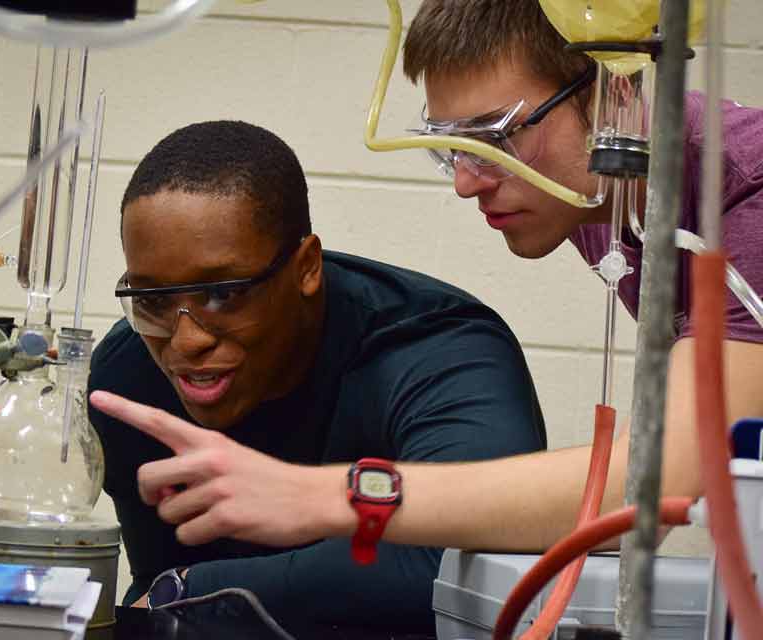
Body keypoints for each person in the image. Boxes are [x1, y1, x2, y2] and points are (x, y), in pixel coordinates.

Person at [90, 1, 763, 562]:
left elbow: (665, 476)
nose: (469, 183)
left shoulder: (742, 198)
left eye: (496, 138)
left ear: (619, 91)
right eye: (453, 149)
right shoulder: (593, 193)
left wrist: (323, 497)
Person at [87, 120, 548, 630]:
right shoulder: (127, 373)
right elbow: (156, 582)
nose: (187, 340)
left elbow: (463, 561)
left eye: (224, 294)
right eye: (152, 300)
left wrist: (193, 590)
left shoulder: (439, 351)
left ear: (306, 266)